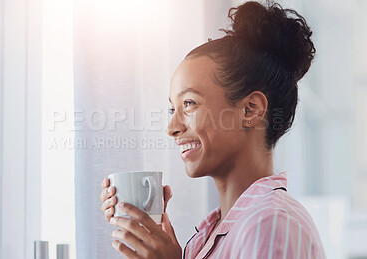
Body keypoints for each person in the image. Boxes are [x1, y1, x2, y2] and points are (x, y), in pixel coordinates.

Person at [100, 1, 327, 258]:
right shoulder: (211, 234)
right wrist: (149, 234)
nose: (172, 128)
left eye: (189, 104)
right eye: (172, 110)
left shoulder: (273, 223)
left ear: (251, 109)